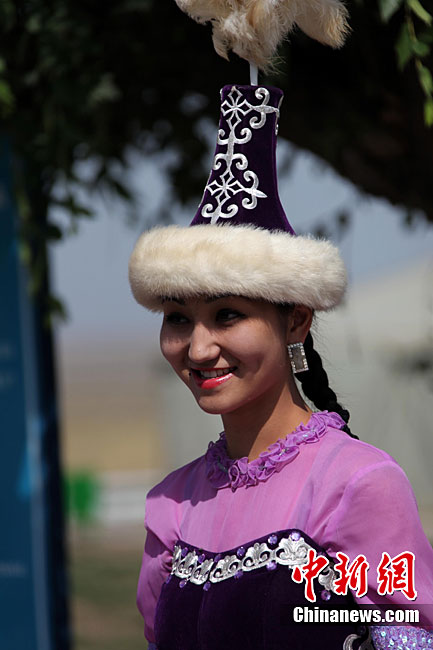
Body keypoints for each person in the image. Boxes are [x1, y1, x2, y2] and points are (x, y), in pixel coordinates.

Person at [129, 81, 433, 649]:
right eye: (177, 318)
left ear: (296, 321)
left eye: (226, 315)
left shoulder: (355, 485)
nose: (198, 348)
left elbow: (410, 632)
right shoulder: (170, 505)